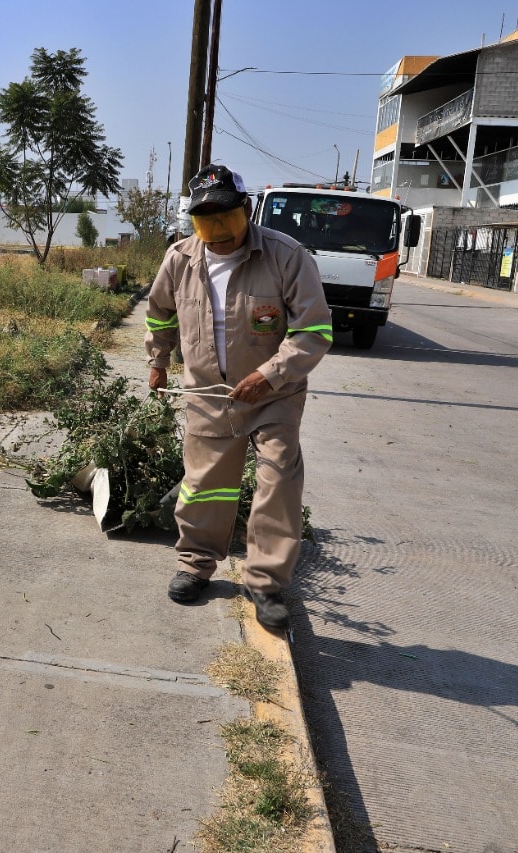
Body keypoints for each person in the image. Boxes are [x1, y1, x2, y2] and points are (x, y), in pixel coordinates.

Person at [145, 164, 332, 630]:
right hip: (209, 393)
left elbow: (314, 331)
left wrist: (268, 376)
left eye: (225, 214)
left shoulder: (285, 256)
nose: (218, 228)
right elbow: (160, 313)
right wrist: (158, 359)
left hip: (275, 396)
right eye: (204, 217)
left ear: (245, 209)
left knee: (278, 480)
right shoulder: (179, 259)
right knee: (206, 483)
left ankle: (265, 583)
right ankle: (195, 564)